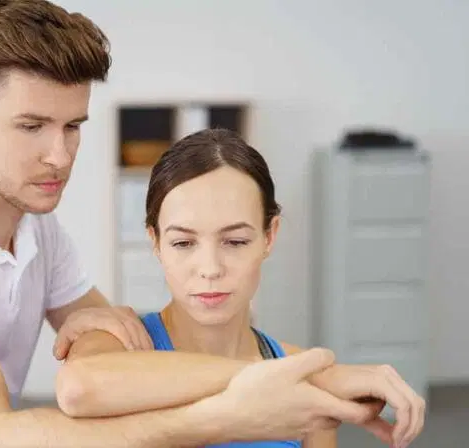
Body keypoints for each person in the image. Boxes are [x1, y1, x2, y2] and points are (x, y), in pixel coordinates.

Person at [0, 1, 421, 447]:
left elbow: (131, 362)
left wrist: (294, 374)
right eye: (32, 127)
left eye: (73, 126)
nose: (60, 155)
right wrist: (253, 400)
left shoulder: (39, 233)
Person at [55, 128, 426, 448]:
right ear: (155, 242)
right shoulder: (115, 346)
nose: (211, 269)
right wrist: (298, 377)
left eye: (235, 242)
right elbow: (78, 389)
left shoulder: (301, 371)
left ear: (269, 236)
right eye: (183, 243)